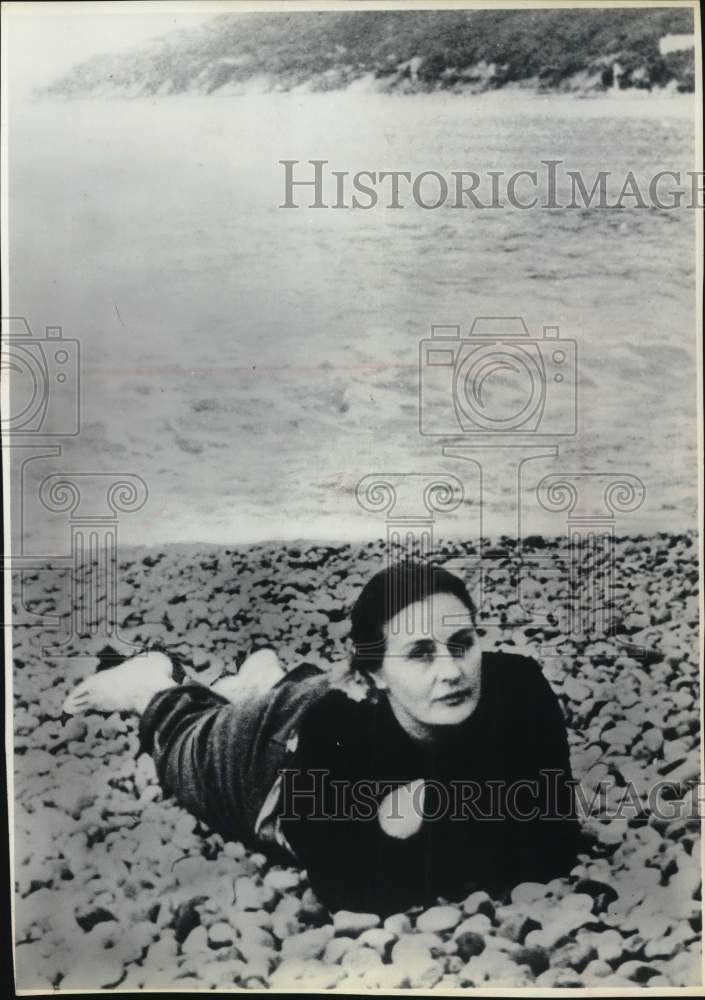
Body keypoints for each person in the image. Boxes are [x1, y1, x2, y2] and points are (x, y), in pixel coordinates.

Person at [64, 560, 580, 916]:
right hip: (262, 765)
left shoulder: (517, 688)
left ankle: (264, 676)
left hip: (326, 711)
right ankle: (152, 677)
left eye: (462, 644)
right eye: (421, 653)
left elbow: (555, 842)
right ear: (372, 673)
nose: (453, 671)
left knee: (299, 694)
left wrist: (426, 811)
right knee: (181, 736)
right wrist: (478, 810)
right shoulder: (337, 730)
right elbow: (347, 888)